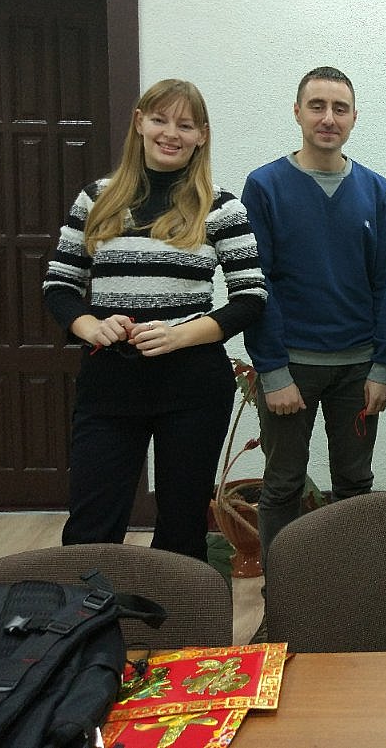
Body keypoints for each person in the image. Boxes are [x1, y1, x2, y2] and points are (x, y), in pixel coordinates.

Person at [43, 79, 266, 563]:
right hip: (109, 383)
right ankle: (92, 613)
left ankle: (175, 612)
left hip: (192, 386)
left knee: (183, 530)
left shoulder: (223, 208)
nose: (171, 133)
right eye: (160, 120)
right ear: (139, 122)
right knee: (90, 528)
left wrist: (179, 336)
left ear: (202, 135)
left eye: (185, 125)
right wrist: (90, 326)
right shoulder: (96, 199)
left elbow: (251, 298)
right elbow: (59, 286)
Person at [242, 66, 386, 574]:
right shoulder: (265, 186)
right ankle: (283, 597)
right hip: (290, 366)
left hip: (358, 369)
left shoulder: (376, 190)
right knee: (282, 485)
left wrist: (383, 366)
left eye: (340, 108)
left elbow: (385, 285)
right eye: (317, 106)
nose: (328, 118)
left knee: (355, 484)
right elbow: (257, 284)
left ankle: (349, 592)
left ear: (354, 117)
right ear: (297, 112)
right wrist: (273, 370)